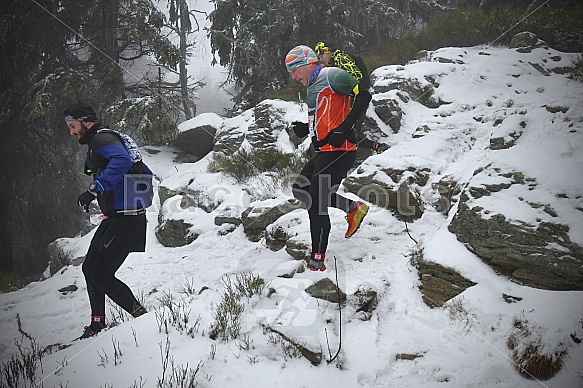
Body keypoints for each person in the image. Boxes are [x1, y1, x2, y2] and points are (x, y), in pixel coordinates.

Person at [64, 100, 151, 339]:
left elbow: (122, 161)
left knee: (101, 275)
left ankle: (145, 319)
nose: (71, 133)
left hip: (126, 220)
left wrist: (94, 190)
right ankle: (97, 324)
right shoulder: (102, 140)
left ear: (85, 122)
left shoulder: (101, 139)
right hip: (118, 217)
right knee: (89, 268)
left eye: (72, 126)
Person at [285, 45, 371, 272]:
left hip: (340, 151)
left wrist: (345, 127)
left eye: (293, 70)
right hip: (325, 152)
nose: (293, 77)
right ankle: (353, 208)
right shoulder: (312, 86)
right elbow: (325, 114)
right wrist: (307, 128)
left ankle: (317, 261)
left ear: (307, 63)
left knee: (315, 202)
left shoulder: (331, 74)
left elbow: (363, 95)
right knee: (300, 190)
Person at [314, 41, 389, 154]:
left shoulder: (340, 58)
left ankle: (380, 148)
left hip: (357, 98)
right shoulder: (336, 62)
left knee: (349, 132)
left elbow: (356, 76)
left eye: (321, 55)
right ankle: (378, 147)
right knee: (350, 133)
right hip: (354, 98)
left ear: (327, 51)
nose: (321, 59)